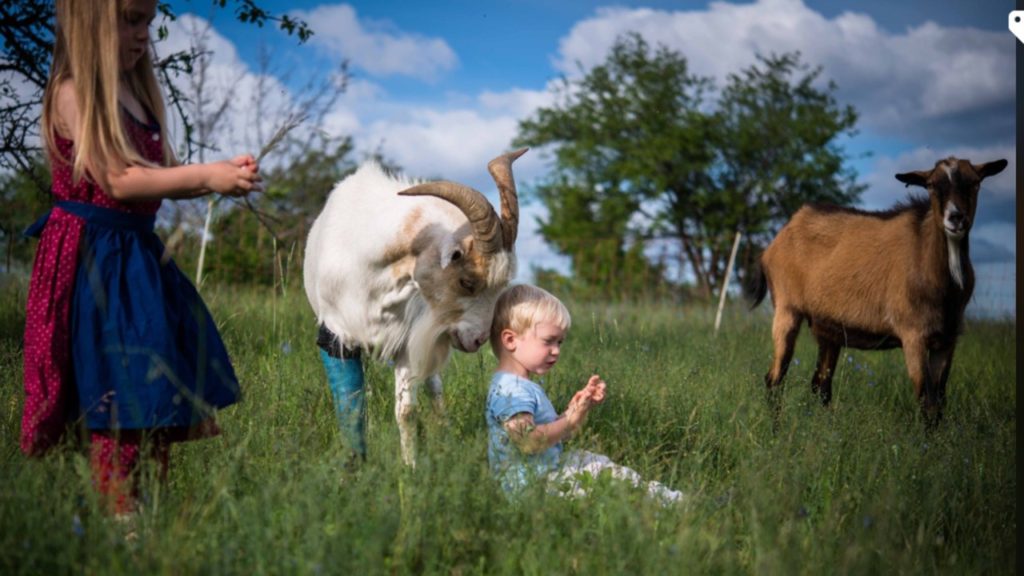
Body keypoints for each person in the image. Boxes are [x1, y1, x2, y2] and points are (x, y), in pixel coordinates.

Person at [21, 0, 262, 515]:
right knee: (115, 391)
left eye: (148, 22)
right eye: (129, 20)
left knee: (148, 391)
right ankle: (120, 524)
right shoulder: (73, 92)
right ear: (89, 24)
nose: (143, 35)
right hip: (94, 260)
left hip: (135, 259)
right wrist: (204, 176)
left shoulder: (135, 93)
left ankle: (143, 515)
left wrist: (222, 176)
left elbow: (160, 177)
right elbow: (118, 179)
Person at [486, 284, 683, 503]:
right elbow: (528, 441)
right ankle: (670, 504)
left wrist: (575, 411)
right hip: (536, 488)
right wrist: (568, 421)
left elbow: (550, 435)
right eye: (548, 341)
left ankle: (666, 500)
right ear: (511, 340)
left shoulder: (518, 385)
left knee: (594, 462)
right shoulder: (512, 390)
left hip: (543, 477)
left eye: (560, 342)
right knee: (604, 475)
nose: (556, 350)